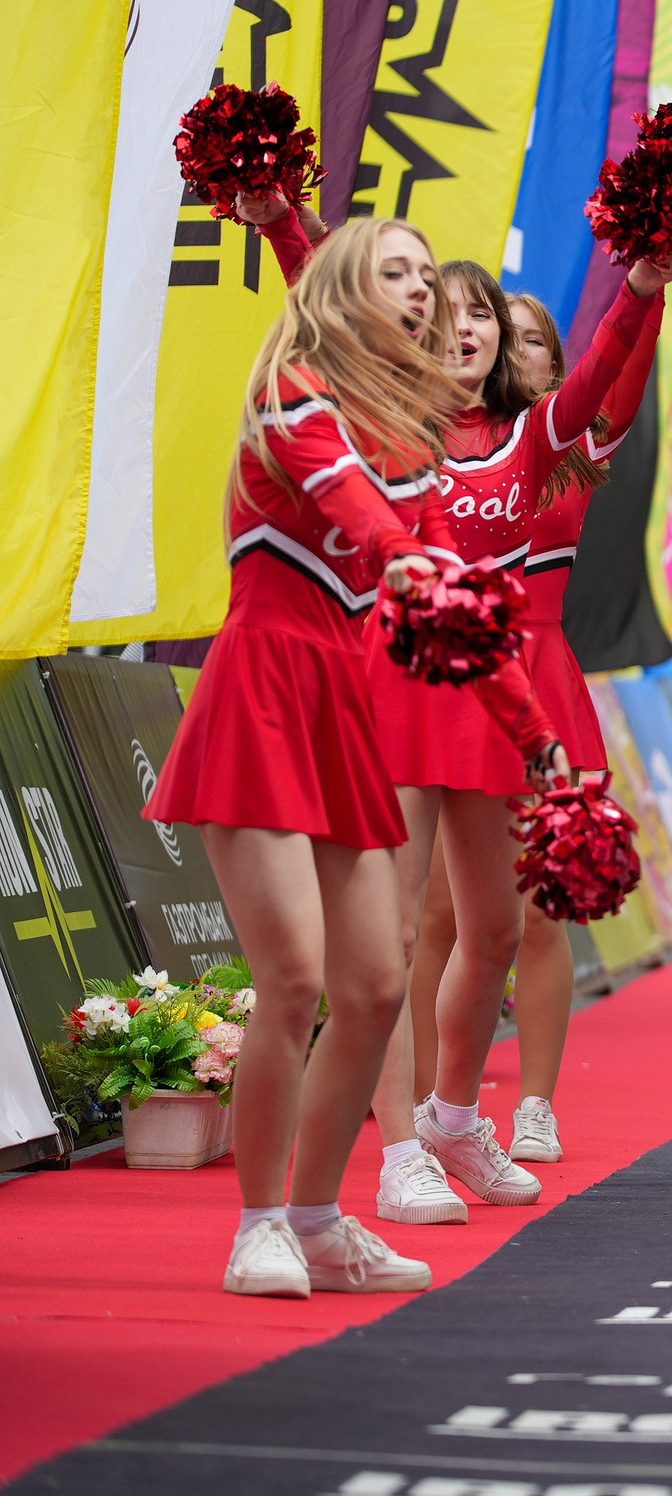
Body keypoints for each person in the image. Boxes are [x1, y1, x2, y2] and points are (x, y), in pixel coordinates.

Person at [145, 210, 561, 1296]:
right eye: (398, 272)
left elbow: (457, 608)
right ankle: (258, 1227)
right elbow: (352, 508)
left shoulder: (413, 447)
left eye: (428, 274)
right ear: (342, 287)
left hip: (345, 708)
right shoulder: (291, 395)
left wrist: (537, 740)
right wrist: (403, 558)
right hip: (260, 694)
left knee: (374, 985)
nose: (422, 289)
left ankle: (322, 1222)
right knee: (293, 978)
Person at [360, 252, 672, 1221]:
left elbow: (606, 370)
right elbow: (321, 295)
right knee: (400, 929)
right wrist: (283, 218)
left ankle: (458, 1117)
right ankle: (400, 1147)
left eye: (483, 316)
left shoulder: (540, 437)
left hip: (501, 693)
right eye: (444, 312)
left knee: (498, 928)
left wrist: (644, 288)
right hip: (403, 683)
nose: (464, 328)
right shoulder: (388, 424)